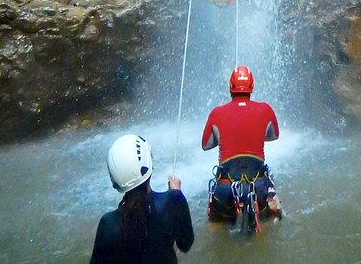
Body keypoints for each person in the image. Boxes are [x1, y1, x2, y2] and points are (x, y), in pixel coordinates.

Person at [201, 65, 282, 231]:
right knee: (274, 216)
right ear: (252, 86)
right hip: (258, 185)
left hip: (226, 187)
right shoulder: (265, 110)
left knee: (215, 226)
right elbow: (274, 136)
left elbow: (205, 145)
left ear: (230, 86)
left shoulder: (216, 113)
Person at [90, 134, 194, 263]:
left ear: (114, 181)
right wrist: (177, 194)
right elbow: (185, 244)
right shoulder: (172, 201)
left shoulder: (108, 224)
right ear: (150, 165)